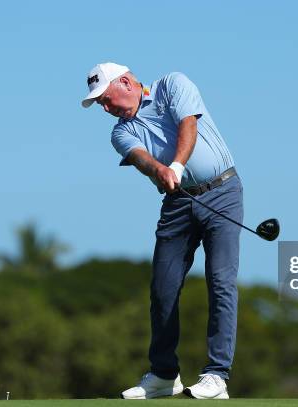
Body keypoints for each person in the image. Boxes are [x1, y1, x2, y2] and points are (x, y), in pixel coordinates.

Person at [82, 62, 243, 400]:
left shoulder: (173, 85)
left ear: (126, 82)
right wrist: (159, 170)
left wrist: (176, 166)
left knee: (220, 282)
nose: (106, 109)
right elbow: (141, 159)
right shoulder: (120, 131)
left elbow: (188, 124)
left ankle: (216, 375)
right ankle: (164, 374)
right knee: (163, 287)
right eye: (101, 105)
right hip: (178, 204)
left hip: (222, 192)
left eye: (107, 100)